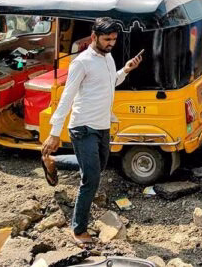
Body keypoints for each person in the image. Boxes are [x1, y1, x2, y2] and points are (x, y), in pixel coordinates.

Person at [41, 18, 143, 246]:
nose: (111, 44)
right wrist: (54, 132)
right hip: (83, 126)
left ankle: (54, 162)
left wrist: (125, 70)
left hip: (102, 125)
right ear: (94, 36)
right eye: (107, 39)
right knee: (91, 178)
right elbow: (67, 97)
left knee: (99, 166)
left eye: (114, 40)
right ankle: (78, 229)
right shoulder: (82, 62)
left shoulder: (107, 58)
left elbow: (107, 83)